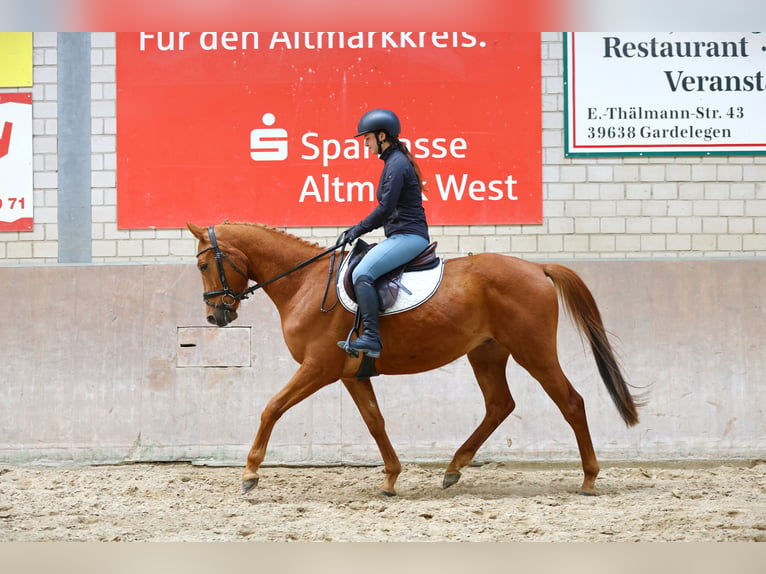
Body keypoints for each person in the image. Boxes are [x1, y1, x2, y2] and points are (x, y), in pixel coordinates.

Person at [338, 108, 430, 359]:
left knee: (361, 273)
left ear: (381, 136)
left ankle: (371, 337)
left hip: (409, 237)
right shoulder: (395, 161)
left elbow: (385, 208)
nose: (365, 144)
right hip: (400, 236)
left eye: (367, 139)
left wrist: (356, 230)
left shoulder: (397, 164)